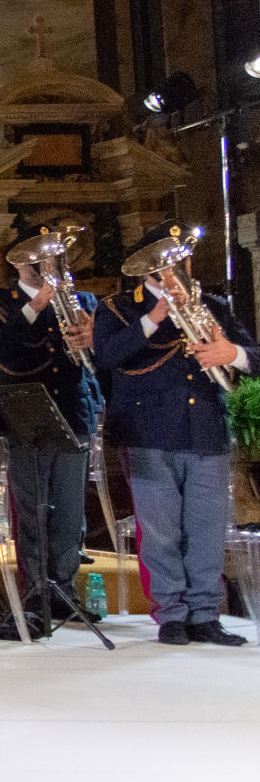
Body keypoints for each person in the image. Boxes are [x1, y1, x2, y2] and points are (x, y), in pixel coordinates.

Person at [93, 221, 256, 647]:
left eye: (182, 256)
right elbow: (106, 357)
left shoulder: (214, 306)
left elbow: (254, 354)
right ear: (148, 269)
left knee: (206, 527)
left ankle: (206, 614)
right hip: (147, 431)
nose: (180, 265)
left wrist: (231, 354)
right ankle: (172, 615)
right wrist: (155, 317)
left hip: (205, 429)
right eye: (169, 259)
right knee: (161, 529)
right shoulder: (116, 309)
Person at [0, 223, 103, 629]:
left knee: (68, 511)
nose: (45, 261)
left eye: (50, 253)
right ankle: (35, 592)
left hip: (73, 412)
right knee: (32, 509)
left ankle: (63, 590)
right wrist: (36, 306)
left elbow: (102, 360)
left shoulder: (84, 299)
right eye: (36, 254)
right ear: (16, 260)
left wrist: (90, 340)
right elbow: (2, 348)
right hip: (25, 416)